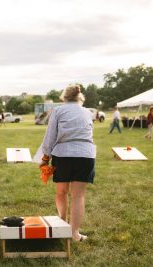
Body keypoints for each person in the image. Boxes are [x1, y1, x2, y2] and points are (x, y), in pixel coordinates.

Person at [40, 85, 95, 242]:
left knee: (61, 191)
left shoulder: (58, 110)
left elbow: (50, 136)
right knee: (78, 196)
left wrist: (45, 158)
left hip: (63, 155)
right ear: (80, 98)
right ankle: (74, 233)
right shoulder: (87, 112)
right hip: (86, 155)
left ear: (64, 98)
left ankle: (62, 222)